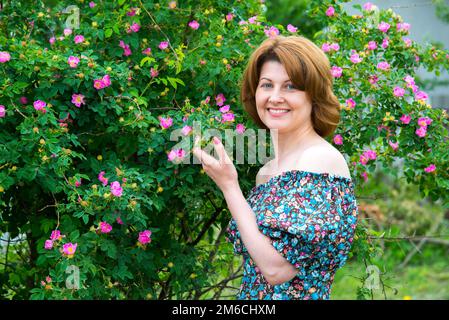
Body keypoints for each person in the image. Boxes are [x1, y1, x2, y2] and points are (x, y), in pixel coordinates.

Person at [192, 35, 359, 300]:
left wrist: (229, 186)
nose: (275, 97)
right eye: (267, 85)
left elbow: (276, 269)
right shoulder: (267, 172)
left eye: (291, 87)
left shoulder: (319, 160)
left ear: (314, 95)